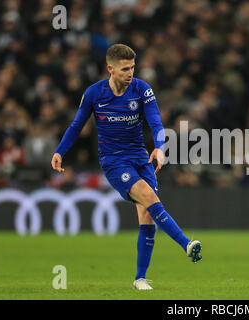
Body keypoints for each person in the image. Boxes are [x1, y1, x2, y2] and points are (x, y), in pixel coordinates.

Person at [51, 44, 202, 291]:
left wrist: (160, 147)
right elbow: (77, 125)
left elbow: (155, 121)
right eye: (124, 69)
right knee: (148, 196)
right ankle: (186, 244)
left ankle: (140, 279)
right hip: (113, 161)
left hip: (141, 158)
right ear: (110, 69)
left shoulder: (142, 90)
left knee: (147, 215)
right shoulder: (93, 94)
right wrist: (59, 151)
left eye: (132, 67)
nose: (130, 73)